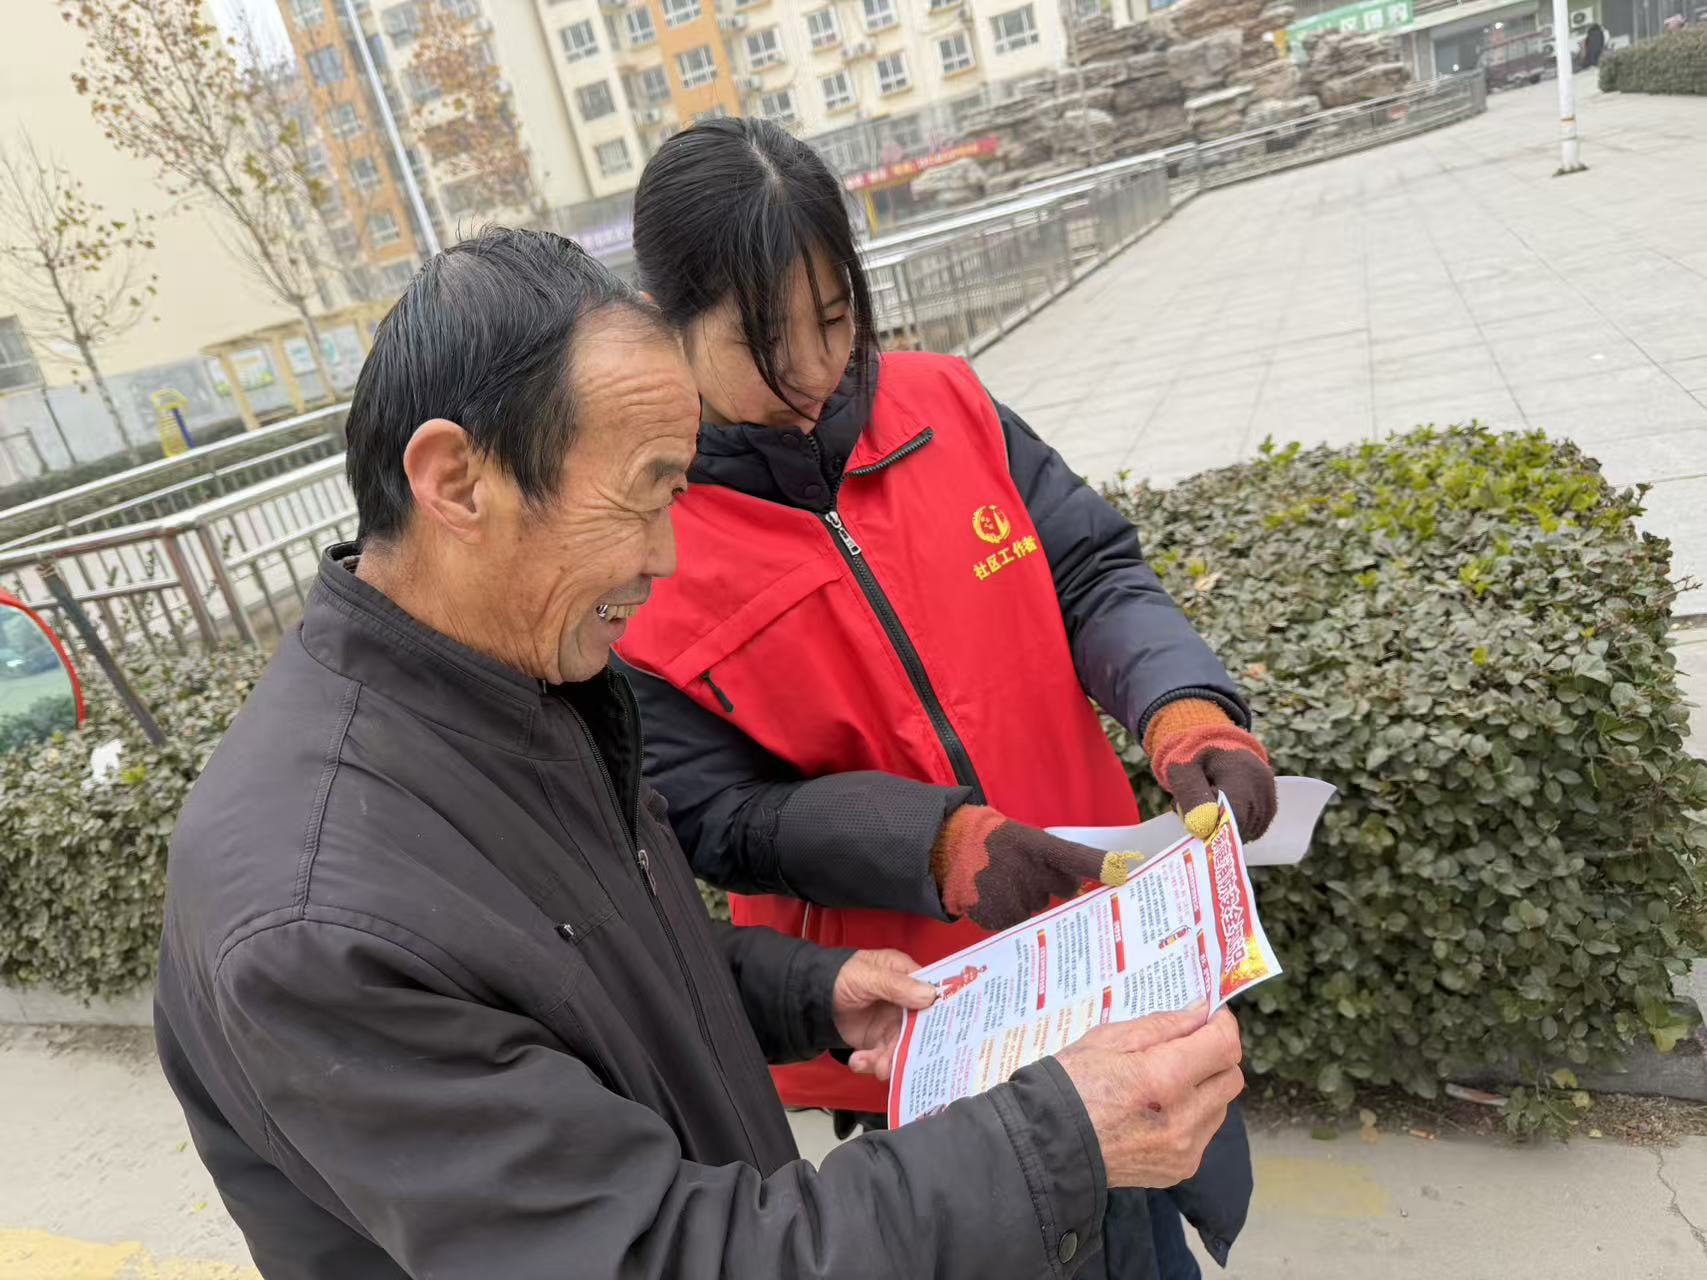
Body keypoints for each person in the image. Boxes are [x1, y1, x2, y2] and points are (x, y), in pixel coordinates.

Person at [153, 227, 1247, 1280]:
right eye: (643, 494)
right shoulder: (316, 924)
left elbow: (597, 964)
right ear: (456, 482)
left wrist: (810, 990)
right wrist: (1058, 1135)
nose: (665, 556)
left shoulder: (509, 695)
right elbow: (655, 1253)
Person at [615, 119, 1275, 1279]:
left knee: (1147, 1236)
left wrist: (1181, 704)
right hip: (921, 1034)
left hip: (1102, 956)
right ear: (668, 322)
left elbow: (1091, 571)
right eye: (766, 342)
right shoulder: (651, 546)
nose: (815, 371)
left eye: (835, 318)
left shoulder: (947, 404)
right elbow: (722, 815)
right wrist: (939, 845)